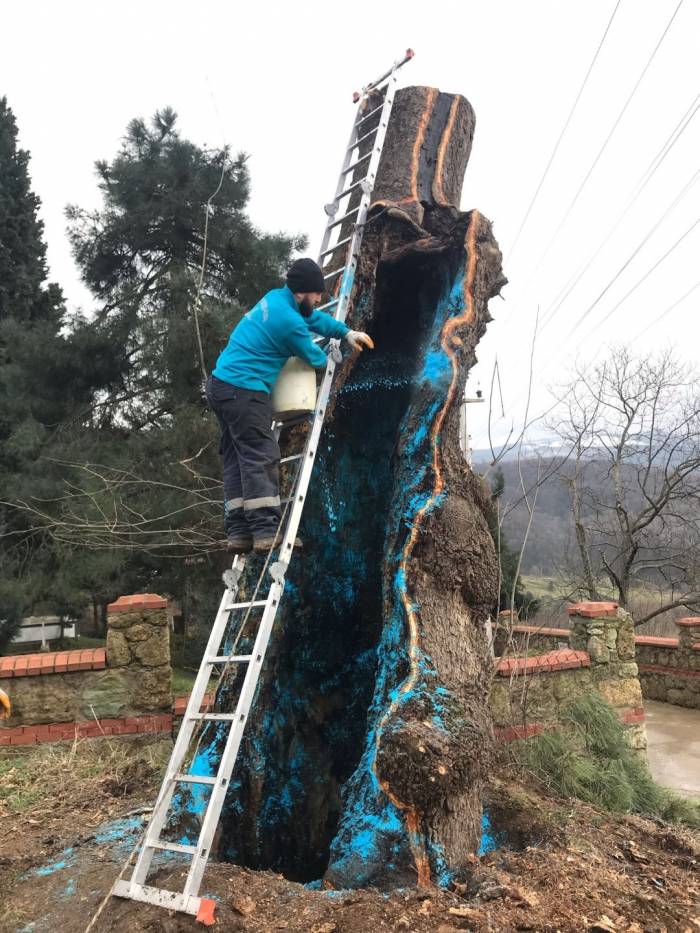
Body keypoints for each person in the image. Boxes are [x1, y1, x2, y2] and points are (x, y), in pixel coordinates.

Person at [207, 258, 373, 555]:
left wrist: (345, 332)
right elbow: (316, 359)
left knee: (236, 458)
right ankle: (265, 533)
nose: (320, 299)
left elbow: (313, 320)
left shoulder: (275, 299)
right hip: (244, 390)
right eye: (317, 294)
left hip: (221, 386)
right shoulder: (288, 323)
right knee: (261, 454)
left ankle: (239, 532)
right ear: (302, 293)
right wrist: (333, 352)